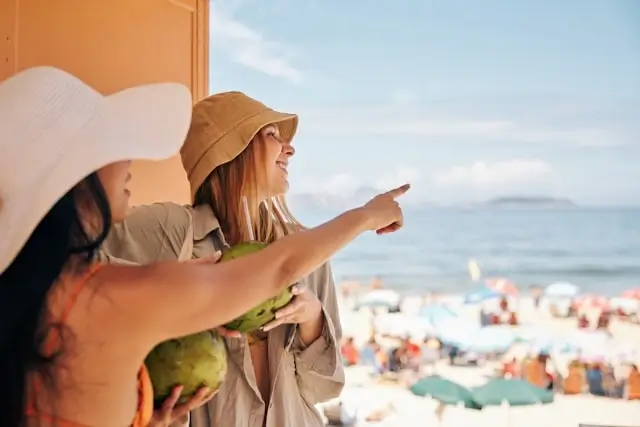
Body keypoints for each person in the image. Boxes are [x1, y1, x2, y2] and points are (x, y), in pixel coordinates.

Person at [0, 67, 409, 427]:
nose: (129, 160)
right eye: (108, 147)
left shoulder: (50, 296)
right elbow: (278, 270)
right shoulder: (110, 290)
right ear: (74, 176)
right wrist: (367, 215)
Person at [99, 91, 402, 427]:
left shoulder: (305, 250)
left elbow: (322, 389)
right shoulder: (173, 232)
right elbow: (74, 254)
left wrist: (312, 319)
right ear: (230, 152)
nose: (290, 148)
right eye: (272, 135)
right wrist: (162, 298)